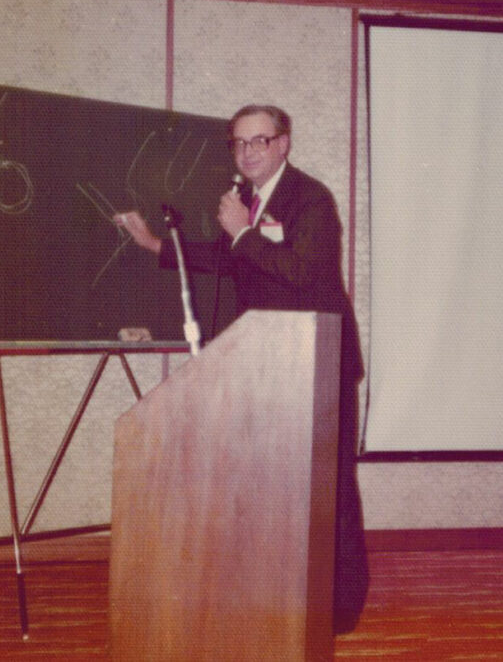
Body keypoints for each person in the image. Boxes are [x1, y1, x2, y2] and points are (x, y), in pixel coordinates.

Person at [113, 104, 369, 634]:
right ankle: (282, 590)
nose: (248, 152)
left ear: (283, 144)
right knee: (276, 483)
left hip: (320, 363)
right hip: (269, 365)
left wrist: (243, 232)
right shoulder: (248, 201)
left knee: (331, 486)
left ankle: (341, 607)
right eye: (239, 142)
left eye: (260, 141)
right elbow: (229, 258)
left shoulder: (310, 198)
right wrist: (157, 245)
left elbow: (302, 270)